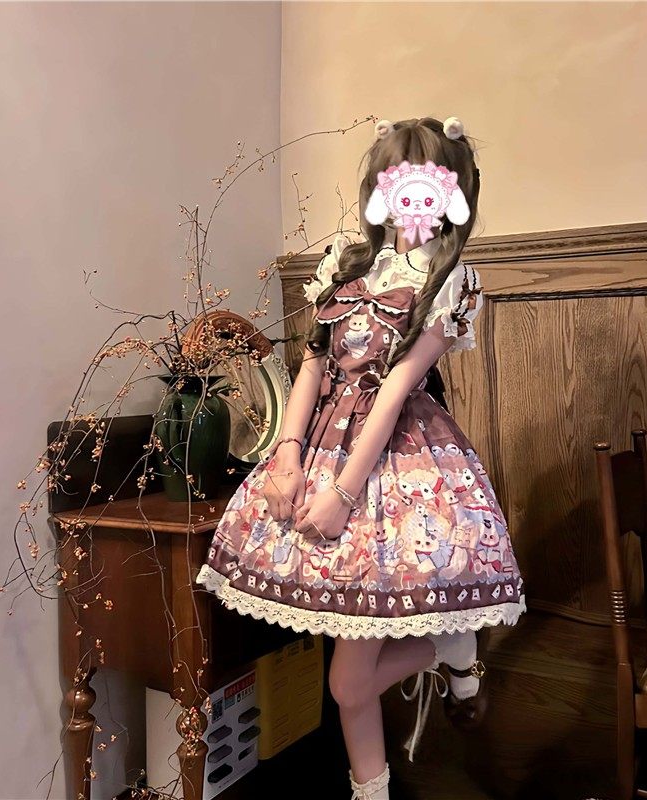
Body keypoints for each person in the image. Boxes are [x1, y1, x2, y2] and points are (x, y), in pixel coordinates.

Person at [195, 115, 525, 800]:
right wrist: (287, 457)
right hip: (321, 444)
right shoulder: (345, 266)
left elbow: (397, 389)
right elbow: (311, 366)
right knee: (347, 684)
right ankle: (430, 685)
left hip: (395, 461)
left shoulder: (450, 278)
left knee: (347, 683)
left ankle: (448, 647)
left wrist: (343, 494)